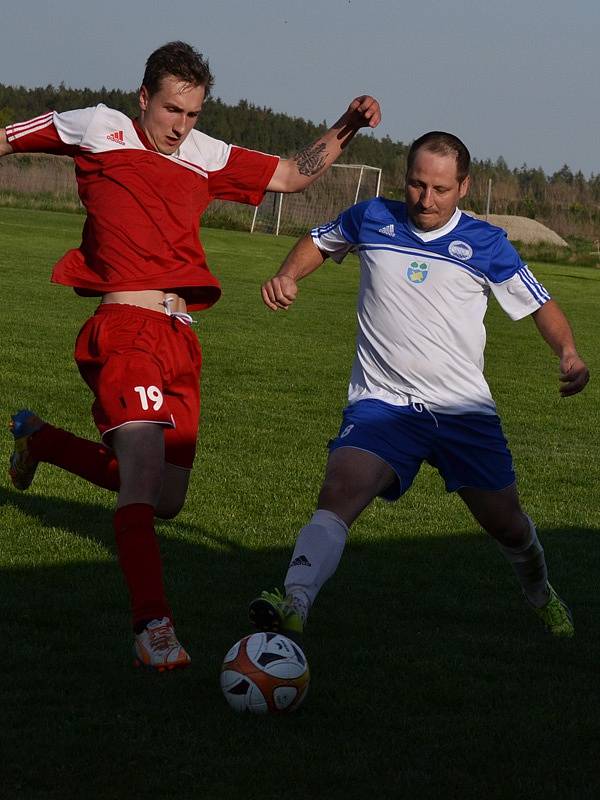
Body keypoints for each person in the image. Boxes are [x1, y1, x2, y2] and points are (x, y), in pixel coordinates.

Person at [0, 41, 381, 671]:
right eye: (172, 110)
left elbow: (292, 174)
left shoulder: (205, 156)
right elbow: (11, 138)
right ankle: (153, 631)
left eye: (194, 114)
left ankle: (41, 441)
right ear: (144, 98)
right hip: (123, 328)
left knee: (164, 495)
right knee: (145, 476)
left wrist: (348, 125)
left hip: (180, 338)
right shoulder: (98, 125)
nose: (181, 126)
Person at [249, 130, 590, 643]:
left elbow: (540, 304)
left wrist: (567, 351)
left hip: (462, 411)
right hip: (383, 405)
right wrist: (288, 275)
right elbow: (320, 242)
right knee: (340, 489)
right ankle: (295, 601)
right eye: (415, 185)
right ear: (403, 178)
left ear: (463, 187)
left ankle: (541, 595)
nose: (425, 200)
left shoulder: (486, 244)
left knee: (508, 524)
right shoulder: (371, 217)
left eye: (439, 189)